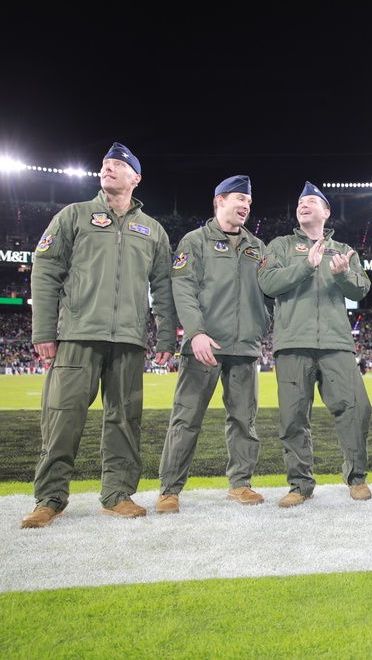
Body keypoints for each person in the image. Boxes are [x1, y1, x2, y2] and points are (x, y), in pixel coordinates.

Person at [21, 142, 176, 528]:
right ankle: (50, 499)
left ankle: (117, 495)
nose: (107, 168)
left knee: (125, 421)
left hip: (128, 340)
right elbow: (45, 271)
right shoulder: (73, 216)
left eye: (118, 165)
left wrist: (166, 339)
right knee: (62, 418)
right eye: (105, 164)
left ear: (135, 178)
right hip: (77, 335)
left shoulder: (152, 230)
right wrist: (44, 329)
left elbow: (164, 287)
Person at [156, 175, 272, 513]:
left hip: (245, 348)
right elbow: (183, 289)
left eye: (249, 201)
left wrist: (258, 327)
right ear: (219, 201)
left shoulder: (257, 246)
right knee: (186, 418)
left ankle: (240, 484)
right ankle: (170, 490)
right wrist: (196, 332)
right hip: (203, 347)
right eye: (239, 199)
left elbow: (268, 294)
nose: (245, 205)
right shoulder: (194, 242)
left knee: (244, 420)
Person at [258, 182, 372, 505]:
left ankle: (356, 477)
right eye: (300, 202)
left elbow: (361, 289)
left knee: (357, 408)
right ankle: (300, 484)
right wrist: (306, 266)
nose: (303, 205)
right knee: (293, 416)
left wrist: (342, 274)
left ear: (326, 212)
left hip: (337, 343)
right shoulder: (279, 246)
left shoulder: (343, 249)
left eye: (311, 201)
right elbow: (267, 282)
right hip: (293, 342)